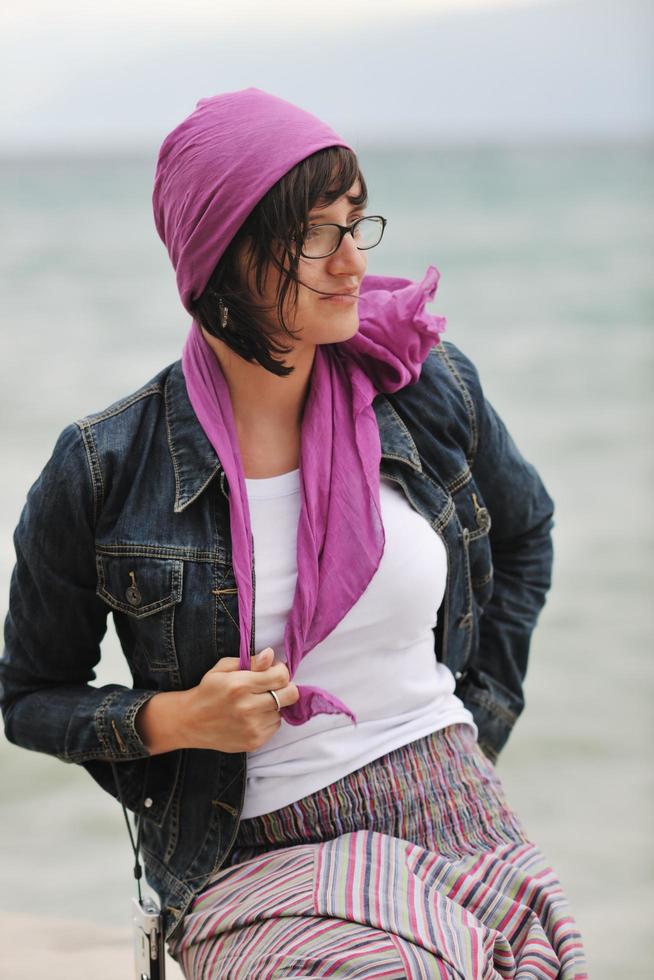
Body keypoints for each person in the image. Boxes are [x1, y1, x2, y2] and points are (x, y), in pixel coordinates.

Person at [0, 88, 588, 978]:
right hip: (249, 853)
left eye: (357, 223)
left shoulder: (424, 388)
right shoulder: (103, 468)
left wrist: (477, 722)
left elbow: (527, 532)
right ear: (228, 255)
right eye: (319, 234)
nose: (353, 261)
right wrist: (176, 719)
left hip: (456, 810)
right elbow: (30, 695)